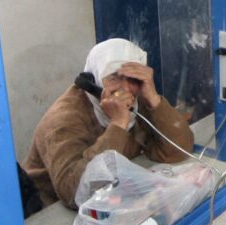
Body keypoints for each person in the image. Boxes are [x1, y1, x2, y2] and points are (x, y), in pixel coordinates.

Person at [22, 38, 193, 208]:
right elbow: (74, 193)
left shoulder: (136, 98)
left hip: (113, 193)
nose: (125, 89)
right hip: (51, 211)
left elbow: (178, 150)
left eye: (133, 79)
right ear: (93, 80)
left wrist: (154, 100)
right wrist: (118, 124)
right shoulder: (61, 122)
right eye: (114, 77)